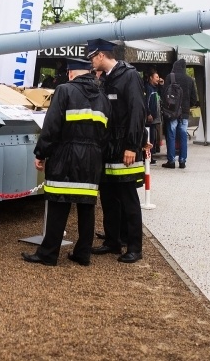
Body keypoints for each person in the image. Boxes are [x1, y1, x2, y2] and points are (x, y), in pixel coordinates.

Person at [22, 58, 111, 267]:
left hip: (65, 155)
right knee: (87, 207)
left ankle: (48, 254)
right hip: (92, 158)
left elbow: (51, 127)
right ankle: (83, 254)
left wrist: (41, 153)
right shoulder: (103, 97)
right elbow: (107, 133)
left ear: (71, 73)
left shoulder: (64, 91)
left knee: (57, 204)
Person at [86, 38, 148, 264]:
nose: (91, 62)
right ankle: (113, 241)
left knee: (128, 199)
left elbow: (137, 112)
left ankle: (134, 247)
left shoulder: (129, 76)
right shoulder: (105, 79)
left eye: (92, 57)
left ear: (101, 55)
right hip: (107, 149)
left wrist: (133, 145)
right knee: (109, 198)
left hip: (124, 149)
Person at [162, 58, 199, 169]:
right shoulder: (189, 79)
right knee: (183, 136)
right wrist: (187, 106)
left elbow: (164, 94)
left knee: (171, 135)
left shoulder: (170, 77)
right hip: (185, 113)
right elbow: (194, 98)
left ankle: (171, 161)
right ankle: (182, 161)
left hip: (172, 112)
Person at [145, 68, 163, 164]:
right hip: (149, 118)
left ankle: (150, 156)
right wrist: (148, 113)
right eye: (156, 77)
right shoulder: (148, 88)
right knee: (149, 138)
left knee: (153, 138)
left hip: (155, 118)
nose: (158, 78)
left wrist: (161, 85)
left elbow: (161, 95)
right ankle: (148, 157)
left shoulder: (155, 88)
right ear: (151, 78)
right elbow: (145, 102)